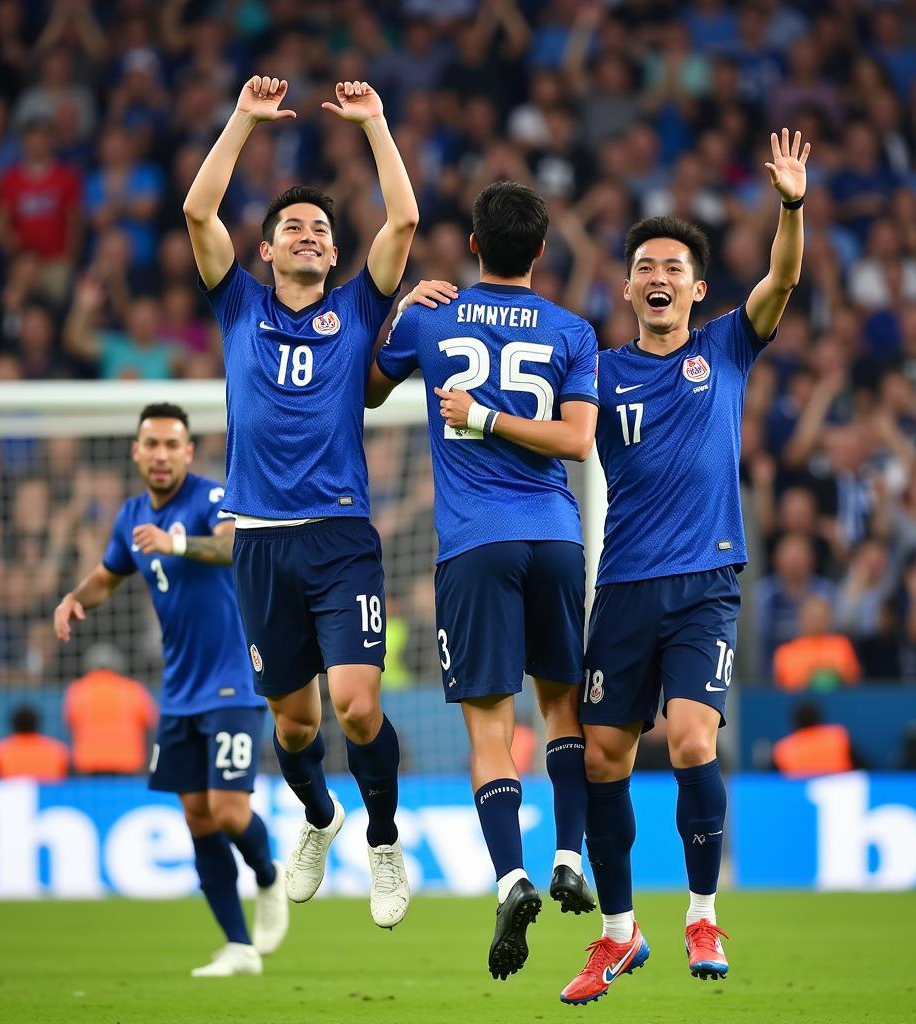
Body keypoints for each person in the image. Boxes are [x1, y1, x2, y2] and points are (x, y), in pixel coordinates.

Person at [557, 128, 811, 1002]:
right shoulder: (597, 368)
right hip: (621, 585)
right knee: (601, 759)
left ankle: (702, 911)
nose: (658, 278)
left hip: (705, 582)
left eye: (674, 267)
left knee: (694, 736)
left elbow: (782, 279)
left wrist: (789, 205)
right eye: (645, 267)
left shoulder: (728, 348)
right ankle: (618, 937)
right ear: (626, 285)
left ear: (696, 289)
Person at [184, 76, 418, 929]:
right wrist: (243, 119)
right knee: (293, 725)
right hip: (261, 544)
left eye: (321, 228)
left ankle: (384, 842)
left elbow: (403, 223)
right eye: (294, 228)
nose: (311, 235)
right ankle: (321, 818)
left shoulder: (358, 306)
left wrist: (377, 125)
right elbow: (198, 214)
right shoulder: (237, 303)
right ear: (269, 250)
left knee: (358, 704)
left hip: (342, 535)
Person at [369, 180, 600, 979]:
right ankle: (571, 854)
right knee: (563, 708)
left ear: (472, 245)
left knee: (489, 733)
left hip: (473, 546)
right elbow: (576, 443)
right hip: (558, 538)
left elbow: (366, 392)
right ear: (541, 251)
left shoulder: (433, 315)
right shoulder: (573, 329)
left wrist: (400, 311)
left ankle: (511, 878)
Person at [53, 403, 287, 978]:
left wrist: (177, 544)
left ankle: (269, 874)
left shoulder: (211, 499)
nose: (161, 455)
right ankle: (237, 946)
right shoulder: (131, 516)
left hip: (233, 680)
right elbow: (110, 573)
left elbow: (235, 547)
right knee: (197, 817)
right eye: (151, 444)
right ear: (136, 451)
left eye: (171, 445)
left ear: (188, 451)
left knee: (230, 811)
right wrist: (75, 598)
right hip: (179, 692)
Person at [63, 643, 158, 775]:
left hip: (88, 765)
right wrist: (153, 766)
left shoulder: (77, 690)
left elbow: (71, 725)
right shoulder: (134, 690)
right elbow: (152, 729)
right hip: (127, 764)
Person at [772, 702, 857, 778]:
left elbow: (768, 779)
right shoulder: (838, 738)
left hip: (798, 793)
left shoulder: (783, 748)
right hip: (838, 790)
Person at [0, 705, 69, 781]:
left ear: (13, 724)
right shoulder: (58, 750)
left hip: (11, 796)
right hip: (50, 796)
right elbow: (71, 784)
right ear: (37, 724)